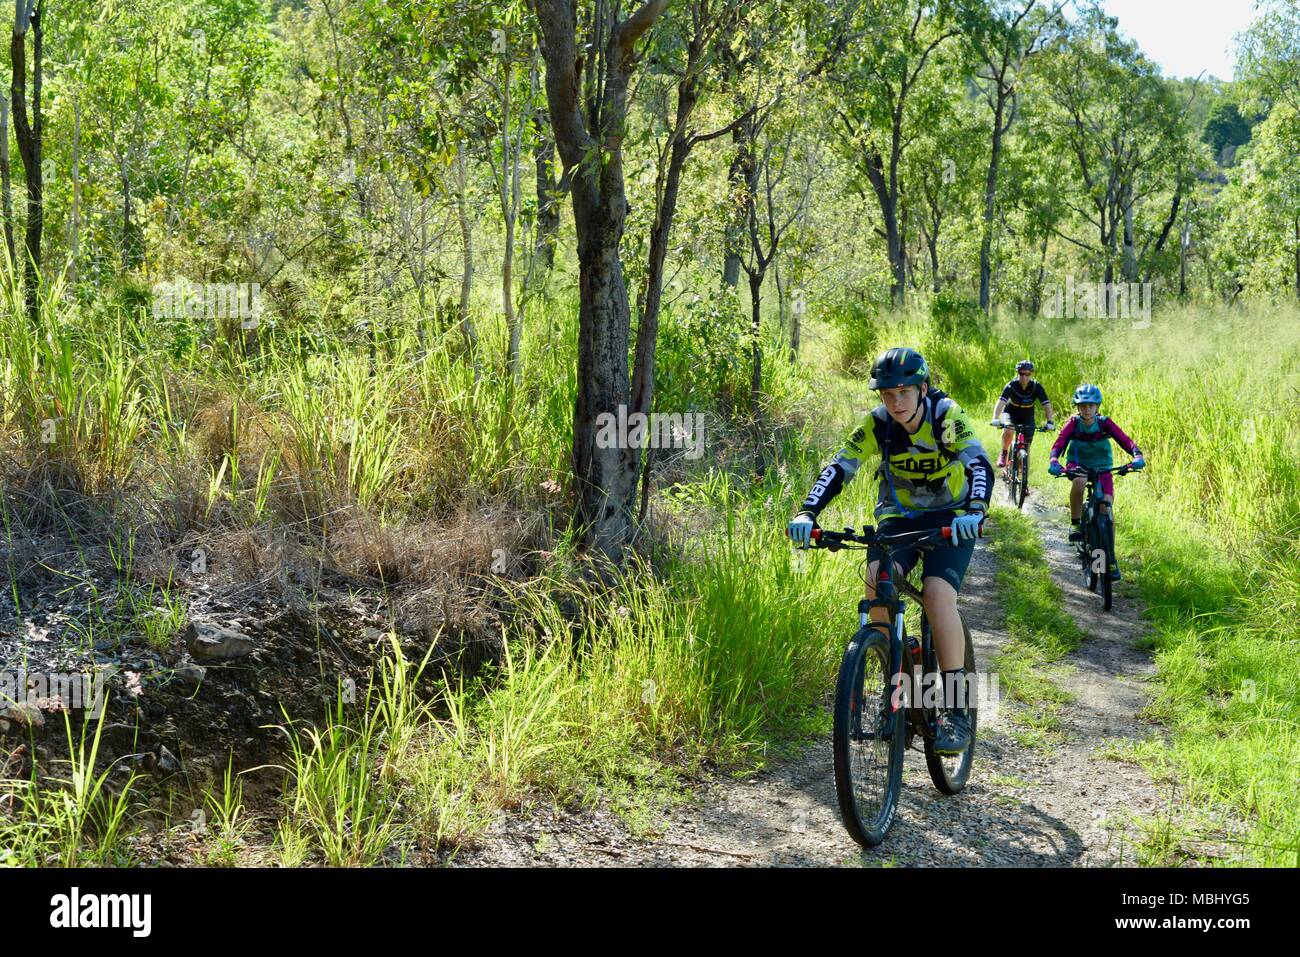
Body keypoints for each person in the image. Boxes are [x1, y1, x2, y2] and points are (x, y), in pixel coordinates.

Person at [787, 347, 994, 755]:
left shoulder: (945, 417)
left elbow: (980, 464)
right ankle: (892, 677)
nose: (895, 402)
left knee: (937, 596)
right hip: (899, 519)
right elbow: (840, 466)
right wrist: (808, 512)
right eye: (887, 394)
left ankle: (954, 709)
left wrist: (976, 509)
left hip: (952, 517)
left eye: (903, 391)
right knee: (876, 579)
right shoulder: (879, 425)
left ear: (922, 388)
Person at [1047, 384, 1146, 580]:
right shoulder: (1073, 424)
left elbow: (1125, 441)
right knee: (1080, 483)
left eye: (1091, 405)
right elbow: (1058, 444)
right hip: (1078, 463)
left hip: (1102, 466)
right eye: (1082, 405)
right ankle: (1076, 524)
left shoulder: (1105, 423)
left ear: (1097, 406)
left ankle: (1109, 559)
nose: (1087, 409)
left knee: (1106, 508)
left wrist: (1136, 455)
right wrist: (1054, 461)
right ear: (1077, 407)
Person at [991, 359, 1056, 470]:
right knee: (1009, 430)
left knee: (1027, 446)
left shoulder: (1036, 387)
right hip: (1009, 413)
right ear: (1018, 373)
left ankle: (1022, 480)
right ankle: (1004, 452)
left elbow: (1047, 405)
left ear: (1031, 374)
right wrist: (995, 418)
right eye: (1021, 374)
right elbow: (1001, 401)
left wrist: (1050, 422)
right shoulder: (1011, 385)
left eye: (1027, 374)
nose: (1024, 377)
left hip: (1027, 416)